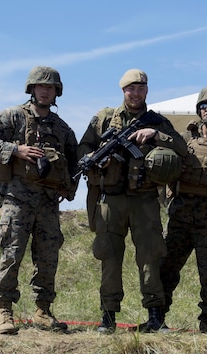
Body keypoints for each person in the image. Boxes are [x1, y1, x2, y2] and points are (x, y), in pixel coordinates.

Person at [79, 69, 187, 334]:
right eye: (131, 89)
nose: (136, 93)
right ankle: (108, 316)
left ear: (147, 91)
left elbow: (182, 149)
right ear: (123, 91)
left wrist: (155, 135)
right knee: (110, 257)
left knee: (150, 257)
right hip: (111, 200)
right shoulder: (104, 119)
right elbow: (82, 149)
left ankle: (154, 315)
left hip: (145, 200)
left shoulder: (157, 121)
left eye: (140, 88)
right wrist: (96, 158)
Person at [0, 66, 79, 335]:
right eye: (40, 86)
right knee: (11, 254)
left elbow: (75, 162)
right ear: (31, 89)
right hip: (18, 199)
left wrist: (67, 188)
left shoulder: (62, 128)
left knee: (48, 258)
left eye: (50, 87)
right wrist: (16, 149)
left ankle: (43, 310)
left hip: (48, 203)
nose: (45, 91)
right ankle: (5, 311)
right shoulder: (12, 117)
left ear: (57, 92)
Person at [158, 86, 207, 333]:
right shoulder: (185, 138)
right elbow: (168, 167)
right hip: (181, 211)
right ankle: (158, 316)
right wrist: (170, 197)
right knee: (167, 266)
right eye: (203, 104)